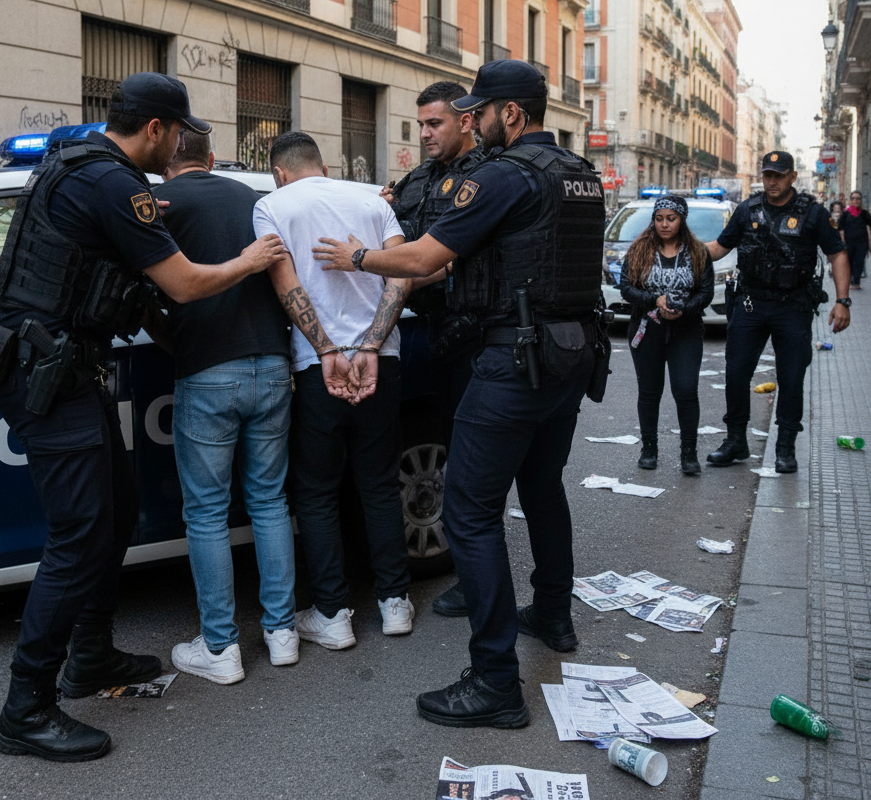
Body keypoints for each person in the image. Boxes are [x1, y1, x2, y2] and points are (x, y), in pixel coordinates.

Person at [0, 73, 286, 762]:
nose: (177, 146)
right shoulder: (115, 183)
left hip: (57, 367)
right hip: (47, 371)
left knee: (115, 513)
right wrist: (248, 260)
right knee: (80, 534)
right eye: (177, 133)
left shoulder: (80, 164)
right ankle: (26, 708)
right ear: (156, 129)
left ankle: (90, 656)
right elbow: (184, 284)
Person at [314, 59, 607, 729]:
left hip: (515, 358)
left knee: (469, 512)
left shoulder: (504, 174)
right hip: (571, 354)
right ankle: (552, 614)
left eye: (480, 112)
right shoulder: (579, 173)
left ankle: (496, 681)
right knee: (542, 488)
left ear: (512, 113)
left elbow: (424, 258)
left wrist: (356, 257)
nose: (473, 122)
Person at [253, 131, 415, 650]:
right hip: (381, 361)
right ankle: (395, 603)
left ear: (279, 173)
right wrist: (371, 344)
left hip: (317, 368)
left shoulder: (272, 206)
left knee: (317, 493)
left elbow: (286, 284)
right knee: (381, 484)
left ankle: (333, 615)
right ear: (323, 167)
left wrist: (326, 350)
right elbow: (402, 275)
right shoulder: (372, 202)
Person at [158, 132, 297, 684]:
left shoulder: (161, 205)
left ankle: (220, 647)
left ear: (166, 160)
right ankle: (282, 634)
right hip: (272, 362)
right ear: (211, 159)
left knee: (207, 513)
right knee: (269, 501)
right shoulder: (254, 197)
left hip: (209, 369)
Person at [381, 80, 484, 620]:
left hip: (473, 337)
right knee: (448, 456)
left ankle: (475, 580)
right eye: (420, 124)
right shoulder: (417, 179)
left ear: (465, 121)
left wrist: (380, 270)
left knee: (472, 463)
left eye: (434, 123)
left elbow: (447, 260)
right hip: (429, 334)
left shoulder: (486, 175)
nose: (423, 133)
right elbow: (398, 237)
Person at [704, 151, 851, 474]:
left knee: (791, 377)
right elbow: (720, 247)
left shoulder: (812, 213)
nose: (772, 181)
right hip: (751, 304)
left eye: (779, 175)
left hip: (792, 306)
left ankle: (785, 447)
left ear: (792, 177)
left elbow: (837, 254)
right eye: (768, 175)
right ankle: (735, 441)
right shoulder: (747, 210)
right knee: (736, 373)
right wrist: (685, 250)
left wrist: (843, 301)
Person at [618, 195, 714, 476]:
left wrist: (684, 308)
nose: (664, 224)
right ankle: (649, 449)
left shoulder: (698, 252)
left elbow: (706, 292)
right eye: (659, 219)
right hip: (647, 330)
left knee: (686, 390)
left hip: (686, 330)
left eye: (671, 219)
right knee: (649, 392)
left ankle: (689, 453)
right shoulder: (639, 250)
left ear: (682, 220)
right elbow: (626, 288)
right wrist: (654, 300)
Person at [844, 190, 871, 289]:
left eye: (858, 199)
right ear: (851, 200)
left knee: (860, 261)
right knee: (849, 262)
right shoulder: (846, 214)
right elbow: (838, 226)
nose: (856, 200)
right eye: (854, 198)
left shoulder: (864, 214)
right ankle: (850, 278)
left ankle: (856, 281)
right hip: (849, 243)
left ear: (861, 200)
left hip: (862, 243)